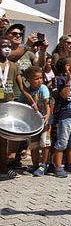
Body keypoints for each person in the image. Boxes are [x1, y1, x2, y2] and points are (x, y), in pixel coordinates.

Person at [18, 65, 51, 176]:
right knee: (34, 145)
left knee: (44, 143)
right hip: (32, 123)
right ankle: (35, 165)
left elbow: (47, 103)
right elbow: (21, 105)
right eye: (36, 79)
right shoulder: (27, 92)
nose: (39, 81)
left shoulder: (43, 88)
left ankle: (44, 164)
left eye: (41, 78)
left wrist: (47, 115)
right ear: (29, 80)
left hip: (45, 122)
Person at [0, 36, 24, 179]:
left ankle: (3, 168)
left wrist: (33, 104)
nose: (7, 49)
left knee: (3, 140)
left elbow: (22, 88)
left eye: (9, 46)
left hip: (6, 105)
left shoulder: (14, 66)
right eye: (3, 45)